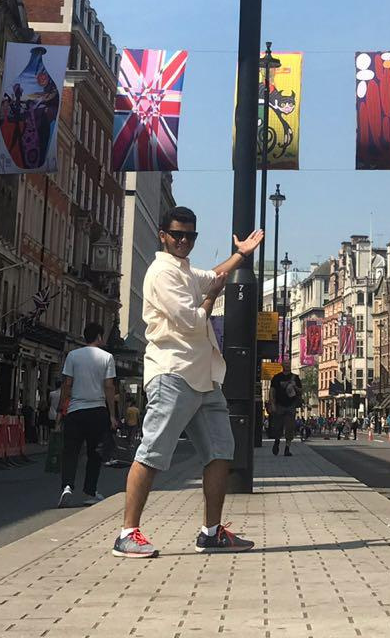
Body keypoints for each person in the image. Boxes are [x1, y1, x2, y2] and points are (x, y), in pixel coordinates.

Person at [114, 208, 264, 559]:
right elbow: (194, 320)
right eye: (177, 235)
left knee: (221, 451)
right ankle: (127, 534)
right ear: (163, 235)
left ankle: (211, 533)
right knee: (152, 452)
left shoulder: (183, 269)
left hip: (204, 377)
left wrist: (241, 255)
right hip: (173, 372)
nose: (184, 241)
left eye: (190, 236)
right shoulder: (161, 273)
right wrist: (211, 297)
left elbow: (213, 276)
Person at [58, 322, 119, 508]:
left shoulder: (73, 355)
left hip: (75, 410)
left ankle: (67, 486)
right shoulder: (107, 357)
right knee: (95, 453)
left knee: (71, 451)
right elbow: (109, 387)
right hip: (97, 410)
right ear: (99, 337)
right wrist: (112, 415)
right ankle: (90, 491)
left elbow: (67, 384)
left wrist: (62, 409)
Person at [267, 363, 302, 457]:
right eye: (285, 364)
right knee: (277, 426)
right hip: (279, 405)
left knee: (290, 427)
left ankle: (287, 448)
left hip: (291, 405)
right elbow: (272, 391)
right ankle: (277, 441)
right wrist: (272, 403)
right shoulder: (277, 377)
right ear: (282, 365)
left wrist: (295, 386)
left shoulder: (295, 377)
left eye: (288, 364)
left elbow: (300, 391)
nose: (287, 365)